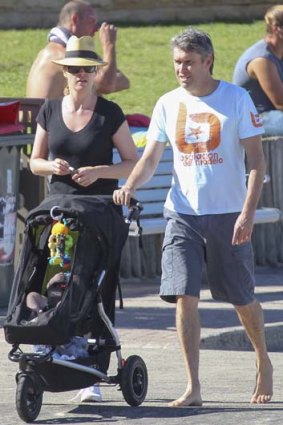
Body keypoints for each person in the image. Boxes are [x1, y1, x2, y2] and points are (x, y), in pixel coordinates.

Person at [113, 27, 273, 407]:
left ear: (208, 61)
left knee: (241, 297)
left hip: (229, 214)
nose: (181, 69)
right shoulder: (168, 103)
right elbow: (150, 157)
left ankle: (263, 359)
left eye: (188, 62)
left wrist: (247, 214)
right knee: (185, 296)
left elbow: (256, 161)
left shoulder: (236, 100)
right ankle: (193, 386)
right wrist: (131, 184)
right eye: (176, 63)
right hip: (182, 214)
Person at [29, 34, 137, 403]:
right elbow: (34, 161)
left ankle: (93, 368)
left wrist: (99, 172)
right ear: (65, 73)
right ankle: (53, 343)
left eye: (88, 69)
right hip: (58, 215)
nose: (81, 75)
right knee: (54, 280)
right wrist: (51, 165)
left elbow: (131, 162)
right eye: (74, 69)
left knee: (93, 287)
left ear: (95, 73)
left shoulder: (110, 113)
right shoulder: (50, 110)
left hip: (98, 214)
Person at [26, 0, 129, 99]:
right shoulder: (64, 56)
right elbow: (107, 84)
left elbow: (124, 82)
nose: (97, 28)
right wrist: (108, 45)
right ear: (75, 20)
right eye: (92, 21)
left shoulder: (49, 51)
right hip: (51, 117)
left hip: (43, 115)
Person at [233, 4, 283, 135]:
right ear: (277, 29)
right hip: (254, 118)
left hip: (273, 114)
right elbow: (280, 103)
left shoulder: (279, 52)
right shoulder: (262, 59)